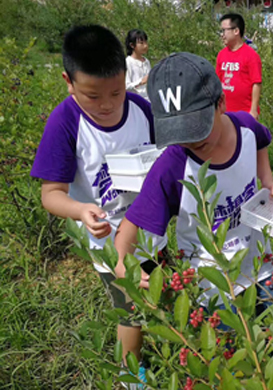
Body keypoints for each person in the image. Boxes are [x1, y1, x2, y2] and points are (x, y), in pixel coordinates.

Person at [30, 25, 165, 389]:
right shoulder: (65, 122)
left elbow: (166, 159)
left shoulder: (140, 109)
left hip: (153, 227)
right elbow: (51, 193)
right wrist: (80, 210)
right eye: (92, 95)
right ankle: (130, 377)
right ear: (68, 82)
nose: (106, 104)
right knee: (130, 310)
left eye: (116, 92)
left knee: (164, 290)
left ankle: (177, 350)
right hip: (107, 238)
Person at [115, 52, 273, 319]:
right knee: (231, 348)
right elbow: (133, 222)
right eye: (178, 133)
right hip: (213, 286)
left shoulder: (246, 127)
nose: (191, 141)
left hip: (261, 265)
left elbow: (261, 143)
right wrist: (122, 262)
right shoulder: (172, 167)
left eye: (197, 127)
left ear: (221, 103)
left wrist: (267, 178)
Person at [215, 13, 262, 120]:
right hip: (224, 114)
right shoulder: (221, 55)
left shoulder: (251, 55)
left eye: (224, 30)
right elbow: (217, 82)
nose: (222, 35)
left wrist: (253, 110)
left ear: (236, 31)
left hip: (244, 114)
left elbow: (256, 83)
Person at [125, 29, 151, 101]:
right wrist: (141, 82)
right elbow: (126, 86)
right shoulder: (128, 62)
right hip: (135, 100)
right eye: (141, 43)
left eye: (146, 42)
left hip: (149, 100)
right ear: (132, 45)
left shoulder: (146, 62)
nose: (145, 45)